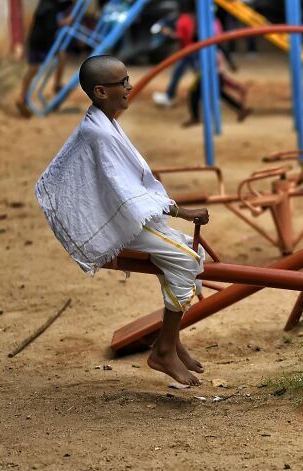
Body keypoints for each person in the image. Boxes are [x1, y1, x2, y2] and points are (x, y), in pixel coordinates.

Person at [36, 55, 209, 386]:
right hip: (118, 223)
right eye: (123, 82)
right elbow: (127, 194)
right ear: (101, 91)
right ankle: (163, 352)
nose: (130, 87)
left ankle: (171, 342)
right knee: (186, 260)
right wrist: (184, 212)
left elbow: (130, 187)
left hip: (128, 216)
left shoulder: (104, 123)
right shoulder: (99, 134)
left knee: (188, 251)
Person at [16, 0, 74, 117]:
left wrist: (71, 2)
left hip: (39, 40)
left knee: (35, 68)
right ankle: (22, 97)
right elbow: (50, 25)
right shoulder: (47, 7)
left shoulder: (48, 3)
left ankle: (23, 97)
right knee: (35, 68)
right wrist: (64, 22)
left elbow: (59, 7)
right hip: (41, 42)